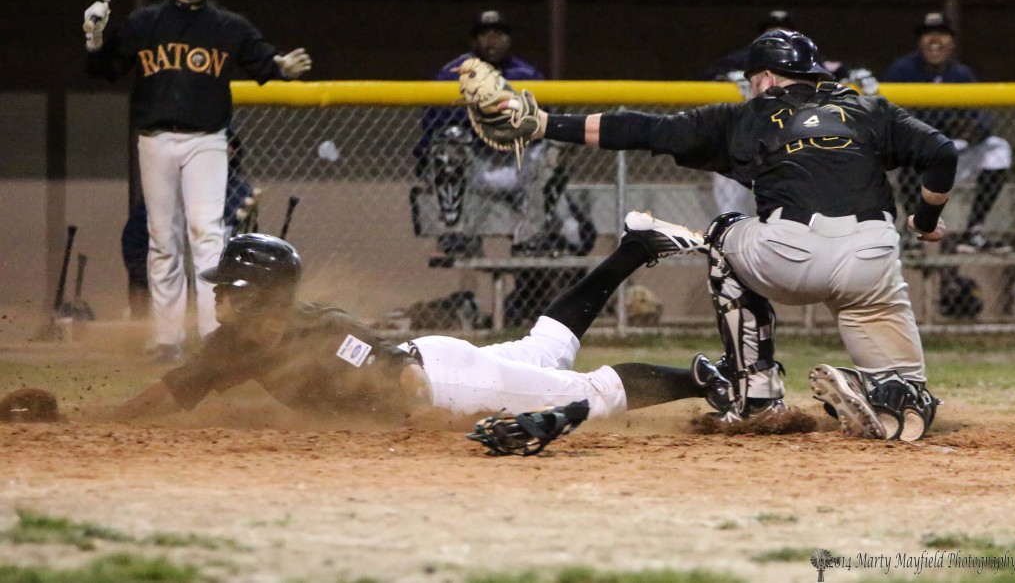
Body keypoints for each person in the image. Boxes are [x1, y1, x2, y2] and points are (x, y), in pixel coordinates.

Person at [472, 28, 958, 442]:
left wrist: (542, 124)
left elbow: (641, 130)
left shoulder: (746, 116)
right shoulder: (869, 110)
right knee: (909, 389)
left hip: (786, 255)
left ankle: (758, 394)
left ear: (765, 79)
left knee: (724, 233)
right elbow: (942, 154)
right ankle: (890, 394)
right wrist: (926, 221)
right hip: (871, 258)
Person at [109, 213, 736, 432]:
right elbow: (168, 392)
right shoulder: (233, 345)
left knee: (589, 398)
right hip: (439, 361)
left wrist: (434, 425)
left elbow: (398, 375)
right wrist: (94, 421)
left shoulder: (320, 333)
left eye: (228, 289)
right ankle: (634, 248)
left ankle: (719, 379)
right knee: (545, 352)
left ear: (259, 295)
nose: (217, 298)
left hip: (445, 379)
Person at [84, 0, 312, 363]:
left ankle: (213, 336)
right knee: (161, 239)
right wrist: (94, 36)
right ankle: (167, 339)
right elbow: (105, 68)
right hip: (154, 138)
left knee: (207, 233)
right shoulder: (144, 22)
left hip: (207, 140)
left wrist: (281, 67)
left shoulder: (226, 26)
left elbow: (263, 60)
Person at [416, 10, 594, 326]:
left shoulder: (526, 73)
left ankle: (531, 242)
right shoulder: (452, 73)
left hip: (519, 164)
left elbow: (551, 123)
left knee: (555, 156)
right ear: (474, 40)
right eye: (485, 33)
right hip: (475, 169)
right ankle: (456, 230)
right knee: (451, 140)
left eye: (499, 32)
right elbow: (430, 130)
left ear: (509, 39)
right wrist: (425, 169)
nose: (492, 39)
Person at [699, 9, 879, 216]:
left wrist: (853, 71)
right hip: (748, 135)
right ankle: (728, 226)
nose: (777, 37)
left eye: (785, 32)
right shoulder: (743, 59)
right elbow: (707, 74)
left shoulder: (806, 60)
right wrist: (724, 77)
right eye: (771, 32)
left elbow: (837, 68)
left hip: (789, 135)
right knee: (729, 176)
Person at [882, 11, 1013, 254]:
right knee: (911, 150)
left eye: (942, 34)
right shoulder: (902, 69)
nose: (935, 40)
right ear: (920, 41)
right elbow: (888, 118)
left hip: (950, 153)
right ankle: (914, 230)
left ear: (952, 42)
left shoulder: (960, 74)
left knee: (998, 148)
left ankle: (974, 230)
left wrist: (975, 131)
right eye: (928, 34)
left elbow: (982, 119)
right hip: (912, 157)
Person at [120, 128, 255, 320]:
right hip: (169, 265)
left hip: (210, 266)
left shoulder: (237, 189)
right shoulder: (169, 186)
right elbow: (135, 238)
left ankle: (209, 322)